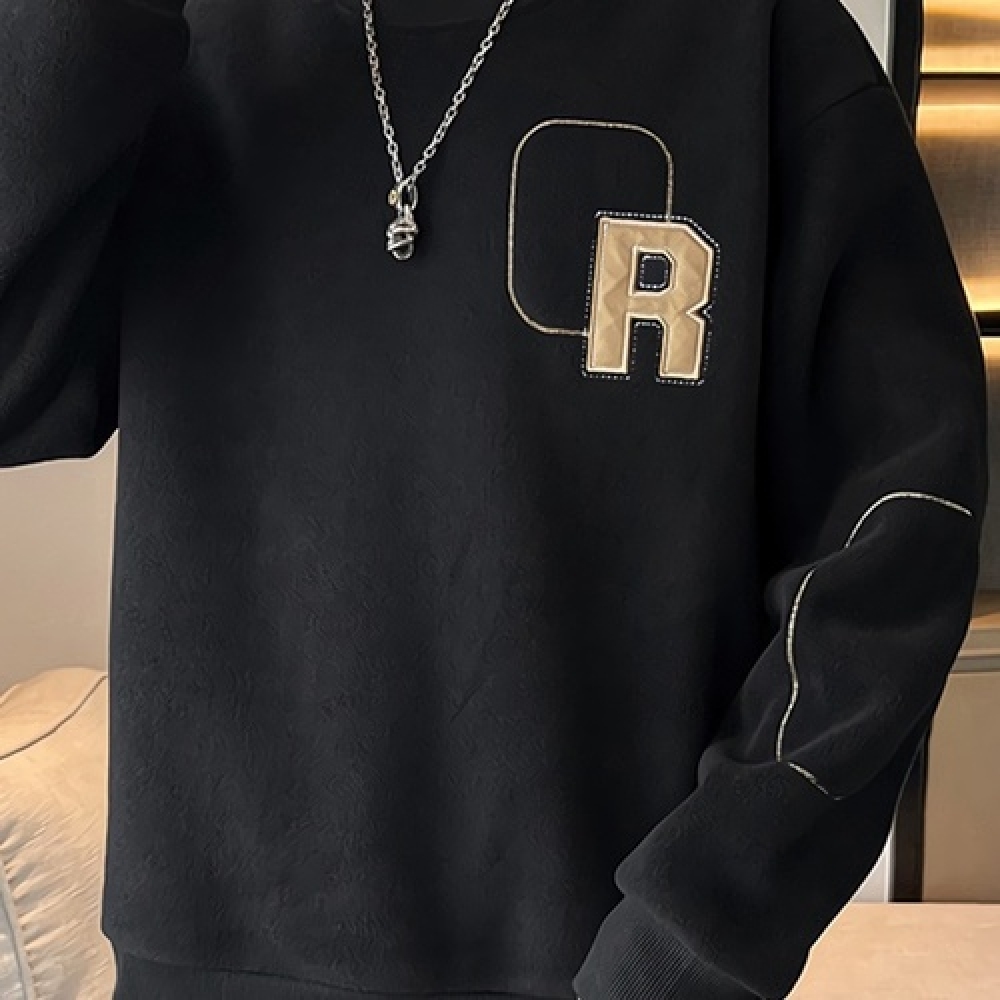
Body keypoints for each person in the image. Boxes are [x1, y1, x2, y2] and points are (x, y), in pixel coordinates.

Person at [0, 0, 989, 998]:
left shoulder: (760, 40)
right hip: (199, 962)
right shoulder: (170, 38)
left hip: (605, 963)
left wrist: (700, 926)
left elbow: (902, 518)